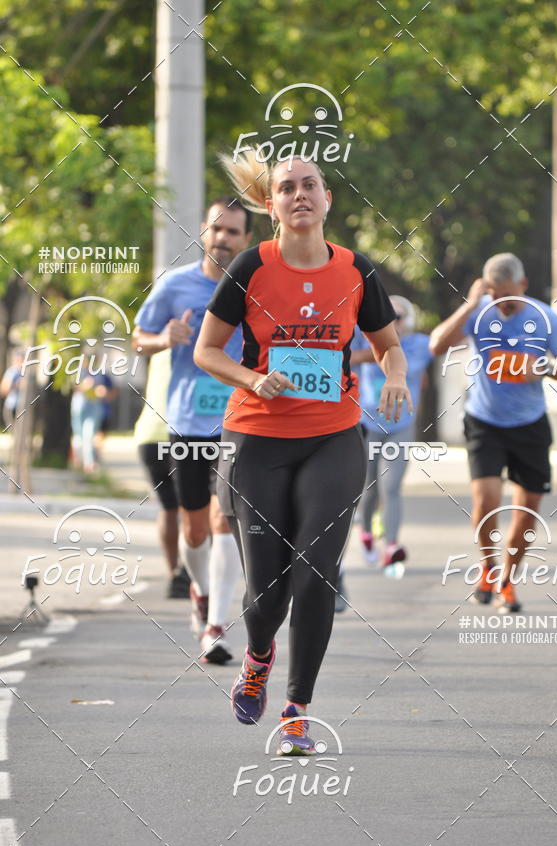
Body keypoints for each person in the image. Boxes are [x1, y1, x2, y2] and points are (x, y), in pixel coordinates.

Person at [194, 152, 411, 754]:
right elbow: (206, 352)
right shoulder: (251, 266)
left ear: (327, 198)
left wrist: (396, 376)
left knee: (317, 574)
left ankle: (297, 709)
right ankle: (258, 657)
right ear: (272, 205)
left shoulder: (356, 270)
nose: (299, 195)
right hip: (257, 438)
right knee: (266, 593)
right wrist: (251, 378)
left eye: (309, 185)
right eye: (286, 188)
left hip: (333, 438)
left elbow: (388, 346)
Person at [132, 197, 251, 663]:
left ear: (246, 239)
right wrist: (164, 339)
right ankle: (201, 591)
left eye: (233, 233)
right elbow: (138, 337)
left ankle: (216, 626)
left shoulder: (253, 287)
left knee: (226, 520)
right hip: (185, 421)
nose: (223, 240)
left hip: (239, 423)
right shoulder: (176, 286)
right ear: (204, 231)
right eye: (217, 230)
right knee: (195, 526)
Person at [429, 252, 557, 613]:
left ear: (523, 287)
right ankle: (488, 567)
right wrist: (470, 304)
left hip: (529, 424)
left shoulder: (544, 317)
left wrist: (543, 366)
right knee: (486, 502)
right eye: (495, 296)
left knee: (527, 512)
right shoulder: (479, 312)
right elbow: (436, 345)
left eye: (508, 296)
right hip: (485, 421)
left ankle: (507, 583)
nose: (502, 305)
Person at [353, 295, 432, 568]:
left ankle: (391, 545)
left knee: (392, 486)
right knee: (370, 487)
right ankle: (365, 533)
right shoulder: (365, 338)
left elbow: (449, 342)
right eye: (387, 317)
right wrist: (376, 353)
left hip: (401, 426)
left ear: (407, 320)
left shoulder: (418, 344)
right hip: (367, 423)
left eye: (397, 318)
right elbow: (342, 355)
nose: (392, 322)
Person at [133, 348, 190, 599]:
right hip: (185, 432)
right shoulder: (202, 347)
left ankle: (174, 574)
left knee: (168, 508)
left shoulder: (157, 347)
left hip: (148, 434)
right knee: (196, 506)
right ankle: (191, 570)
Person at [70, 363, 112, 474]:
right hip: (79, 408)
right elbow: (72, 386)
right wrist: (84, 386)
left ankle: (89, 464)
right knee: (78, 436)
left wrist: (103, 392)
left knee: (89, 435)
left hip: (94, 408)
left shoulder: (100, 374)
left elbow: (111, 391)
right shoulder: (77, 372)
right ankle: (78, 461)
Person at [1, 348, 25, 429]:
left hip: (23, 407)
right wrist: (16, 385)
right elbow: (3, 389)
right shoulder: (12, 372)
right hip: (12, 407)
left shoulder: (26, 372)